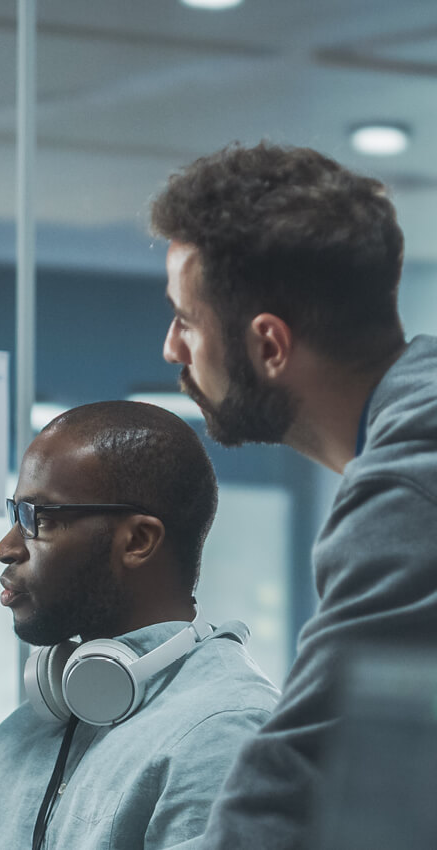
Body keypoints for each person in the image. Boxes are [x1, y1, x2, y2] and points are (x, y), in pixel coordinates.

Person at [149, 141, 437, 848]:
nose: (170, 350)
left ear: (270, 346)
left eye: (186, 320)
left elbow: (295, 784)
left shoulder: (408, 491)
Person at [0, 401, 278, 850]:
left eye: (39, 519)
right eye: (13, 514)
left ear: (137, 540)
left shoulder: (225, 733)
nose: (5, 547)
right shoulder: (15, 741)